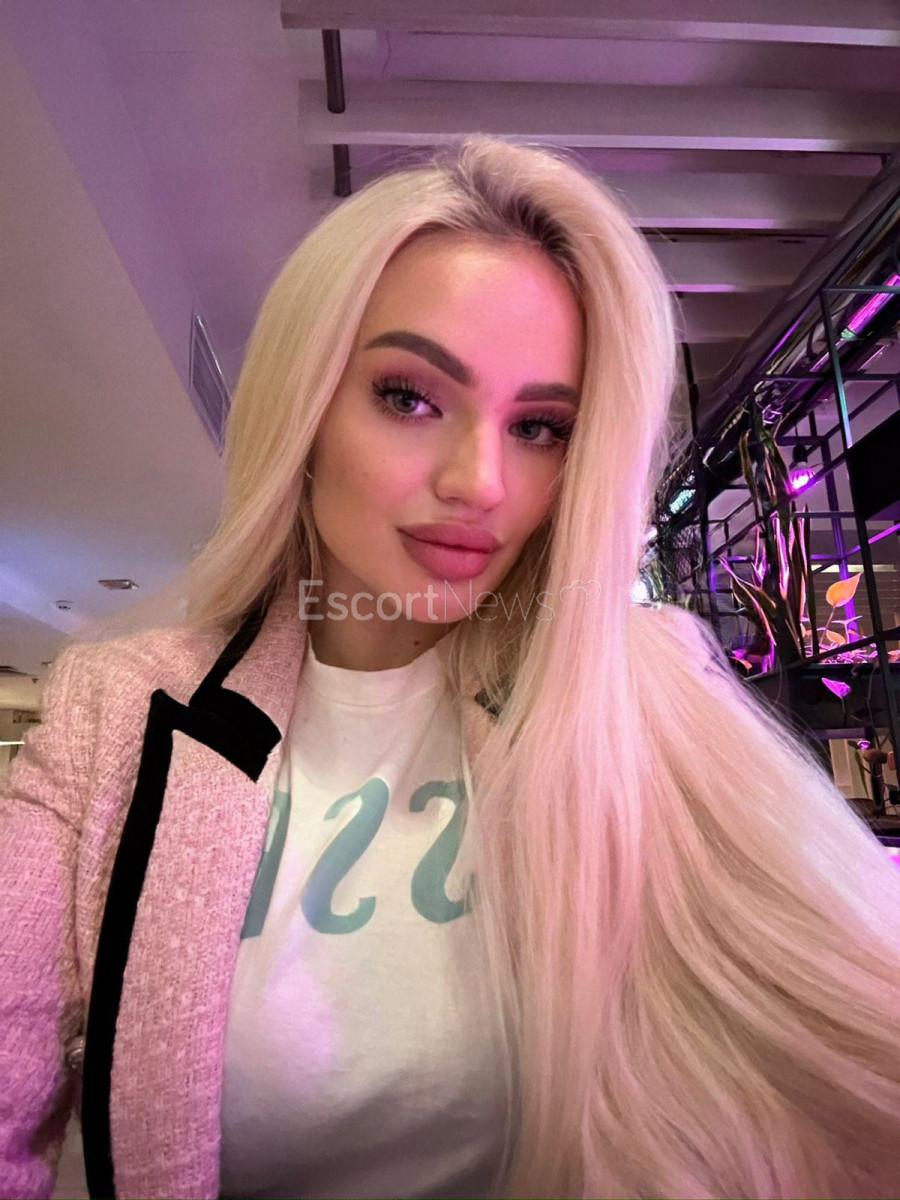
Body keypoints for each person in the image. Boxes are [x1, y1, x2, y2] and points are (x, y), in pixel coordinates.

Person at [2, 134, 900, 1200]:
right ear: (307, 408)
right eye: (409, 397)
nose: (481, 482)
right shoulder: (120, 712)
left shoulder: (642, 689)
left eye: (541, 426)